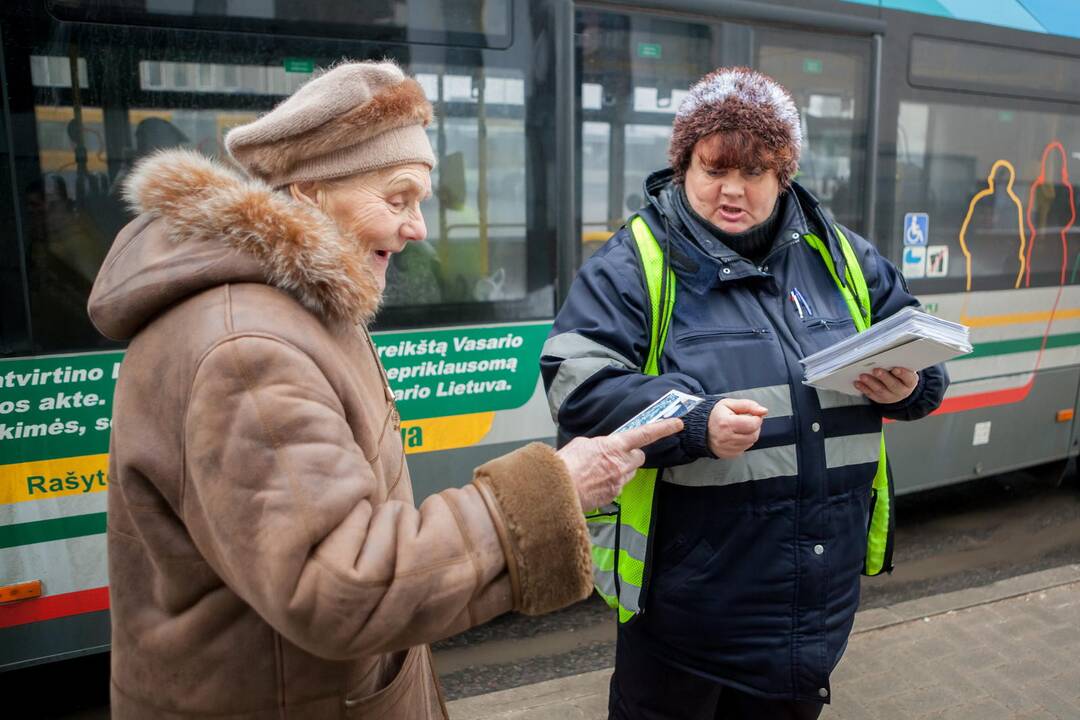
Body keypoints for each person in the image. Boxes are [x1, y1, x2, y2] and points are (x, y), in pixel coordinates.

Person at [87, 61, 681, 719]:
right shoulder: (248, 351)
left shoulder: (291, 307)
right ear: (308, 194)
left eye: (420, 202)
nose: (419, 228)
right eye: (397, 199)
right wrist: (556, 490)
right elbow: (342, 585)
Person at [541, 67, 948, 719]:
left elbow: (922, 359)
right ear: (684, 167)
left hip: (811, 615)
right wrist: (694, 422)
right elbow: (577, 384)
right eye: (712, 169)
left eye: (754, 171)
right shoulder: (636, 261)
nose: (731, 190)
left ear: (783, 174)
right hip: (683, 622)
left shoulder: (843, 258)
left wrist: (911, 383)